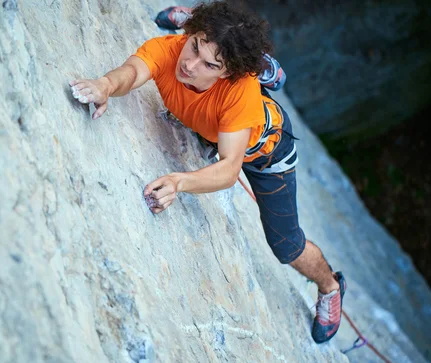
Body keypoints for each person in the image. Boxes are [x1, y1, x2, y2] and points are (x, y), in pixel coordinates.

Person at [70, 1, 346, 344]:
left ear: (225, 73)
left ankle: (331, 285)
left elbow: (230, 169)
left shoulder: (237, 89)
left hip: (266, 153)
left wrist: (180, 180)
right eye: (195, 45)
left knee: (285, 245)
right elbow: (134, 71)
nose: (189, 63)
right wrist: (106, 85)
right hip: (219, 123)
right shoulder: (170, 51)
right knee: (217, 61)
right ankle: (224, 43)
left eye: (209, 63)